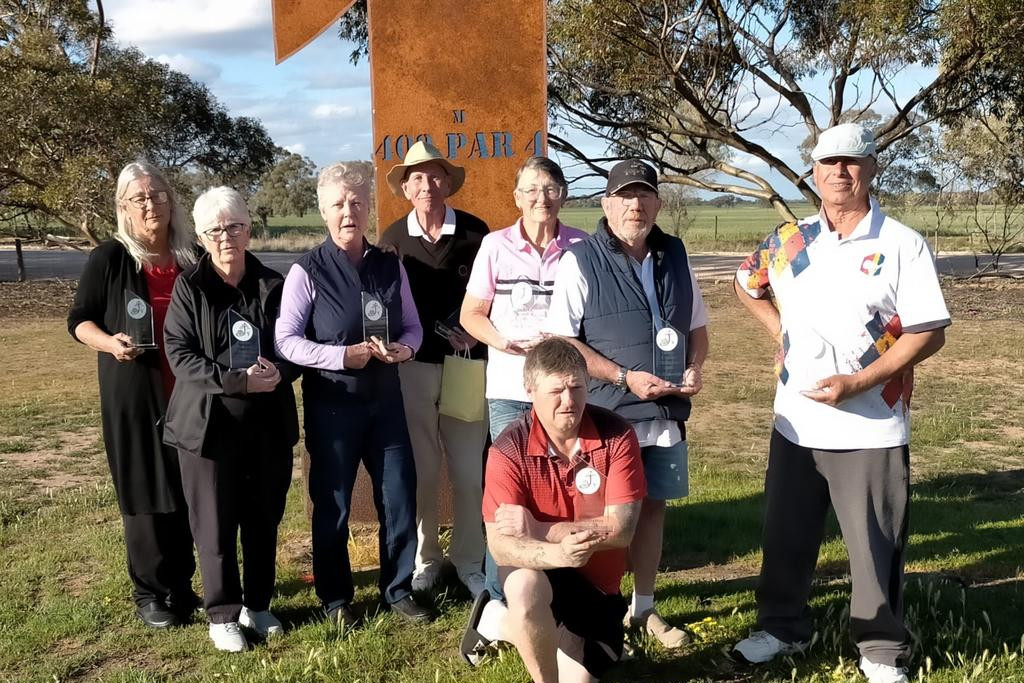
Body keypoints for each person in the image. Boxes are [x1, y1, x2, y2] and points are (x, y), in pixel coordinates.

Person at [731, 123, 950, 683]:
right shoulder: (791, 239)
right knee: (785, 535)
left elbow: (928, 333)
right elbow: (745, 283)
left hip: (872, 424)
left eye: (852, 161)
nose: (839, 171)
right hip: (795, 422)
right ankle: (783, 629)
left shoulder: (900, 243)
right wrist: (780, 332)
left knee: (875, 545)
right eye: (828, 162)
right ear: (814, 171)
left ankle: (879, 651)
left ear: (873, 168)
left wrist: (859, 383)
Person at [544, 159, 709, 650]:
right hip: (610, 414)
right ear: (606, 204)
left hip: (666, 415)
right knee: (604, 515)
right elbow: (562, 340)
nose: (636, 205)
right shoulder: (580, 259)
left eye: (645, 196)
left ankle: (644, 607)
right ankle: (595, 608)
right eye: (625, 196)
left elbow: (697, 329)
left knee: (653, 508)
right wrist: (621, 376)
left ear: (659, 203)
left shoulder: (675, 254)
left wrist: (695, 367)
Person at [275, 162, 431, 626]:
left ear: (368, 210)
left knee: (399, 498)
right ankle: (336, 598)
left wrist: (406, 349)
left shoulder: (389, 265)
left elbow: (414, 327)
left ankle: (397, 589)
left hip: (386, 404)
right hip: (333, 406)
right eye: (339, 204)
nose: (350, 211)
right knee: (334, 503)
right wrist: (341, 357)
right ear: (323, 211)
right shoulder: (306, 271)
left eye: (358, 203)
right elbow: (286, 340)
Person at [162, 187, 298, 652]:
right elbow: (180, 354)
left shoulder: (273, 285)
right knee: (214, 523)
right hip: (208, 429)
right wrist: (237, 382)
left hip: (267, 427)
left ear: (249, 228)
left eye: (235, 226)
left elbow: (295, 344)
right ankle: (222, 614)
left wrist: (281, 370)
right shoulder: (190, 287)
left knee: (263, 518)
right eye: (215, 230)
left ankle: (257, 605)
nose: (227, 237)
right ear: (201, 236)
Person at [461, 338, 645, 683]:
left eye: (577, 387)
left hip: (597, 588)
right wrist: (559, 552)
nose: (568, 401)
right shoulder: (507, 449)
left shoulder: (618, 435)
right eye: (555, 390)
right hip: (540, 567)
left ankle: (496, 619)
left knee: (582, 679)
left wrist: (539, 527)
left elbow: (623, 530)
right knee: (523, 589)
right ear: (529, 390)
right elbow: (500, 546)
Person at [67, 161, 199, 629]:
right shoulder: (110, 258)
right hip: (134, 392)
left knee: (186, 488)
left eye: (157, 194)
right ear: (123, 207)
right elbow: (79, 320)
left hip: (189, 393)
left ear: (171, 200)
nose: (150, 204)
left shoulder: (192, 256)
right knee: (144, 487)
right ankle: (150, 592)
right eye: (139, 197)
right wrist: (109, 342)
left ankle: (182, 585)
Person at [460, 156, 588, 606]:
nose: (542, 198)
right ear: (517, 198)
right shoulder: (495, 246)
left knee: (562, 488)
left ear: (563, 195)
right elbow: (471, 314)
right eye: (532, 190)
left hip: (563, 394)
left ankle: (561, 587)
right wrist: (505, 341)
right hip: (511, 391)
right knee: (510, 496)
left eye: (551, 189)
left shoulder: (582, 246)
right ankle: (501, 597)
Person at [378, 140, 490, 596]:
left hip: (466, 366)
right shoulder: (391, 240)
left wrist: (478, 330)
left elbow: (492, 297)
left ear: (448, 182)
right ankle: (427, 559)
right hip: (414, 371)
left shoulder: (477, 233)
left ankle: (468, 559)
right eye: (417, 178)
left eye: (435, 176)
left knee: (468, 472)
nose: (427, 185)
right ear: (406, 188)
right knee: (423, 472)